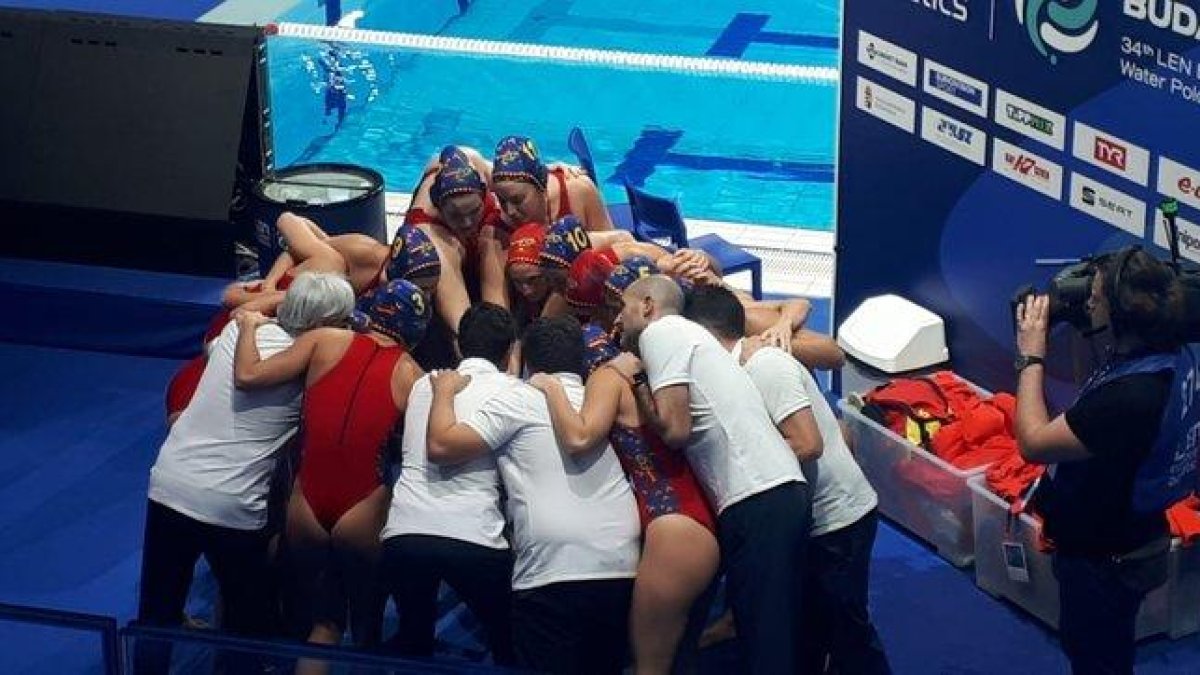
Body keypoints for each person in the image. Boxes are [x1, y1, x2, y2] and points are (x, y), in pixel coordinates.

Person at [137, 273, 356, 674]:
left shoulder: (236, 335)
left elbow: (238, 317)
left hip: (169, 482)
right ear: (330, 325)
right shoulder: (314, 369)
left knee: (156, 612)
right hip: (233, 505)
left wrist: (257, 314)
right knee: (246, 624)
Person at [685, 284, 890, 674]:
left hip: (839, 522)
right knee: (809, 632)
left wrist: (746, 472)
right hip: (813, 521)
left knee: (848, 635)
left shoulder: (765, 366)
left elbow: (808, 443)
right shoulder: (740, 372)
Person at [610, 274, 810, 674]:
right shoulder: (692, 338)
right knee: (768, 628)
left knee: (766, 639)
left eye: (623, 307)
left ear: (648, 305)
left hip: (757, 495)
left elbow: (676, 430)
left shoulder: (662, 332)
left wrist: (633, 381)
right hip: (770, 492)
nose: (618, 319)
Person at [1014, 248, 1196, 675]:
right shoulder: (1170, 353)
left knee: (1097, 658)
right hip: (1134, 534)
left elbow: (1034, 443)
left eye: (1095, 300)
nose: (1087, 305)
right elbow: (1091, 402)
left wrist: (1031, 356)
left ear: (1121, 317)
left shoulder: (1132, 397)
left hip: (1104, 558)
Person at [426, 316, 641, 674]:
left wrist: (444, 393)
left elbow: (442, 444)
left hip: (552, 570)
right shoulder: (601, 397)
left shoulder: (518, 399)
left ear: (524, 359)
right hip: (621, 561)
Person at [233, 279, 429, 652]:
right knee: (367, 629)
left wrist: (247, 327)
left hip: (306, 501)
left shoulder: (325, 339)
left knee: (323, 626)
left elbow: (247, 375)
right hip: (362, 508)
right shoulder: (414, 377)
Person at [529, 323, 718, 675]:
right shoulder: (643, 376)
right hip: (691, 523)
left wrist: (551, 388)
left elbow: (580, 438)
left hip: (674, 531)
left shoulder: (607, 378)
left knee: (649, 667)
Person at [379, 303, 519, 665]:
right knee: (509, 645)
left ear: (459, 346)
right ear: (508, 352)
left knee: (413, 646)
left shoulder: (425, 383)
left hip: (404, 533)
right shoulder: (513, 392)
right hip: (474, 537)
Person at [491, 135, 621, 235]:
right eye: (502, 200)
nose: (510, 211)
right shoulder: (499, 225)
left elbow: (613, 247)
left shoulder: (578, 191)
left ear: (541, 186)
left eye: (517, 200)